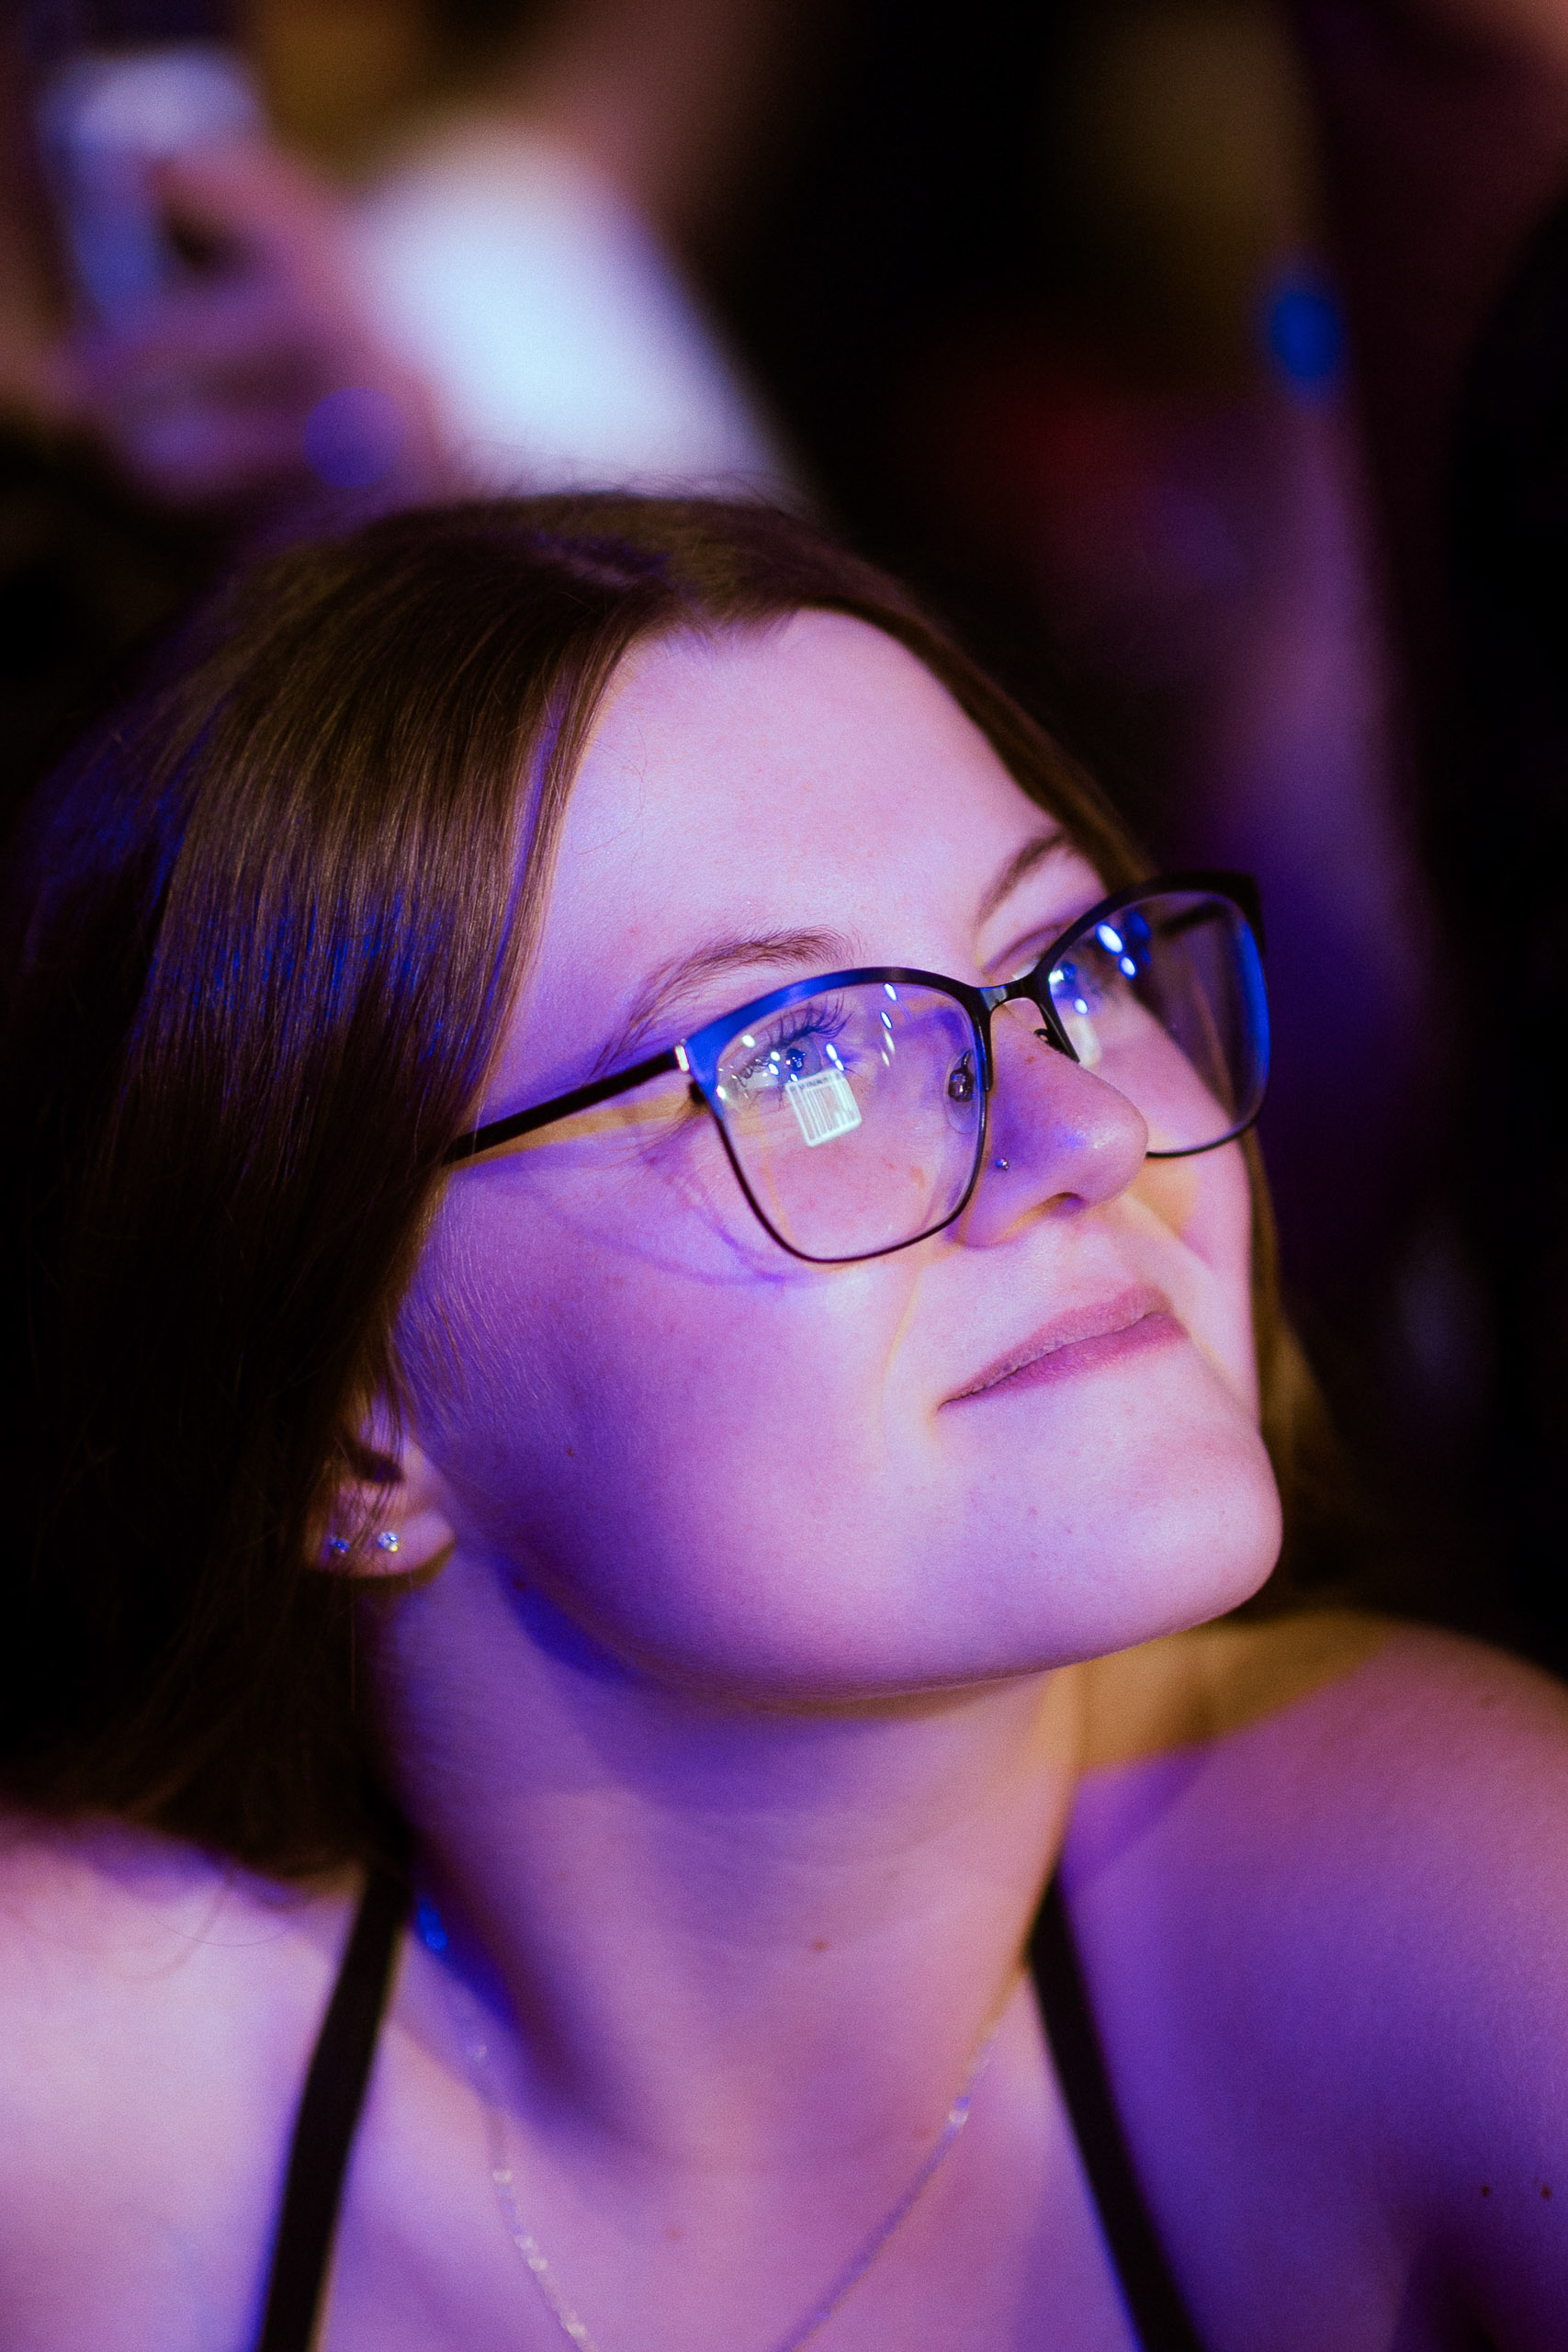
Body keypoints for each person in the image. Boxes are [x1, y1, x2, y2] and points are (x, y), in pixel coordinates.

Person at [2, 493, 1564, 2351]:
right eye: (806, 1055)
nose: (1088, 1130)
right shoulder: (74, 2108)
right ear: (353, 1420)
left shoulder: (1456, 1898)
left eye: (1068, 967)